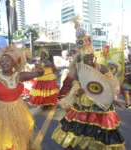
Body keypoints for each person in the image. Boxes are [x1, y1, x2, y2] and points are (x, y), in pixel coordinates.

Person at [52, 18, 125, 150]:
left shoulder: (102, 68)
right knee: (78, 128)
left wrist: (113, 99)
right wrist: (77, 89)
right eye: (86, 57)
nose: (89, 59)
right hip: (83, 103)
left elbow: (112, 84)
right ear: (81, 58)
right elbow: (75, 82)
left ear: (94, 56)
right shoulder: (79, 70)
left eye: (91, 57)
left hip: (100, 103)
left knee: (100, 131)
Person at [0, 45, 44, 150]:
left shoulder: (20, 76)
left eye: (7, 61)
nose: (4, 63)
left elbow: (39, 73)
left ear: (14, 63)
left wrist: (40, 69)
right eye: (2, 61)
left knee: (17, 137)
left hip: (17, 110)